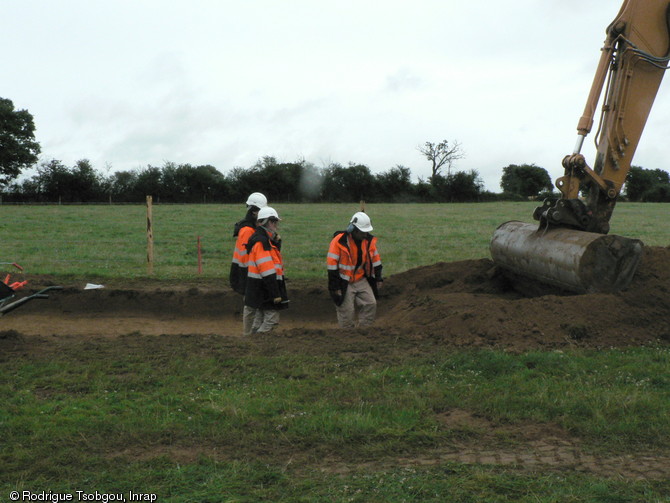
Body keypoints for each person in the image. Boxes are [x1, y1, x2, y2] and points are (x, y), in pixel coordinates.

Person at [327, 212, 383, 328]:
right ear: (353, 229)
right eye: (363, 232)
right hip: (344, 281)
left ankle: (364, 331)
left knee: (370, 303)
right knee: (347, 311)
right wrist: (335, 287)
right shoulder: (338, 241)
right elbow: (331, 266)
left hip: (360, 279)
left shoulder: (369, 241)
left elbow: (376, 260)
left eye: (367, 232)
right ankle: (347, 335)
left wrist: (378, 278)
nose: (365, 235)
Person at [243, 206, 288, 335]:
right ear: (269, 222)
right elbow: (267, 270)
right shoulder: (262, 243)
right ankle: (258, 341)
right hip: (265, 288)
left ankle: (252, 341)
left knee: (259, 319)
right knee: (271, 319)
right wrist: (275, 293)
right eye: (275, 222)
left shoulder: (265, 240)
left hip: (259, 287)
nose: (276, 225)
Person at [229, 192, 267, 295]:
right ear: (254, 211)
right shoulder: (247, 231)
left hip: (247, 274)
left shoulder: (251, 228)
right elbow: (246, 258)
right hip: (247, 274)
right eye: (261, 211)